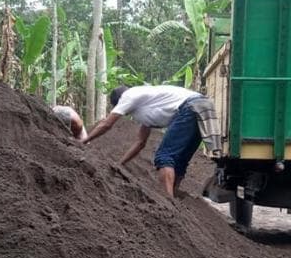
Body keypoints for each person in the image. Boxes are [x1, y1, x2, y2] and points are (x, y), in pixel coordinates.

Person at [83, 85, 212, 198]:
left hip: (189, 107)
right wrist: (120, 164)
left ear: (119, 101)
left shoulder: (128, 96)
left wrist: (84, 141)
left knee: (164, 157)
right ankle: (174, 195)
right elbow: (140, 142)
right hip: (204, 107)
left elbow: (106, 124)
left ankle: (169, 204)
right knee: (180, 159)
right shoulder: (147, 102)